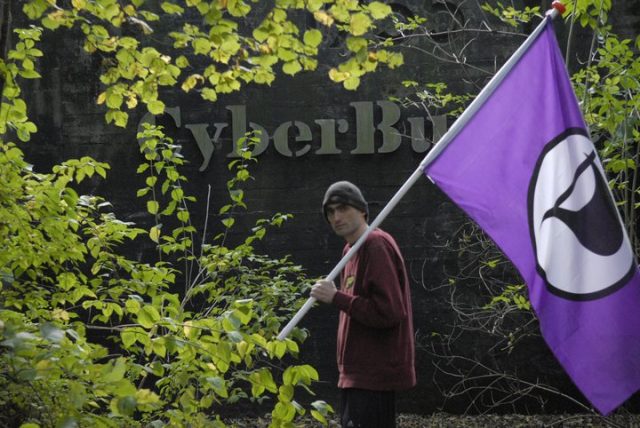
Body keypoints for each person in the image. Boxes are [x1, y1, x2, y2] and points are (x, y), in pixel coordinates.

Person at [310, 181, 416, 428]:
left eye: (343, 208)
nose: (336, 217)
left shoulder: (375, 244)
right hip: (357, 376)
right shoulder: (351, 250)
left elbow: (389, 312)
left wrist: (336, 297)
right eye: (331, 212)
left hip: (373, 376)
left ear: (362, 211)